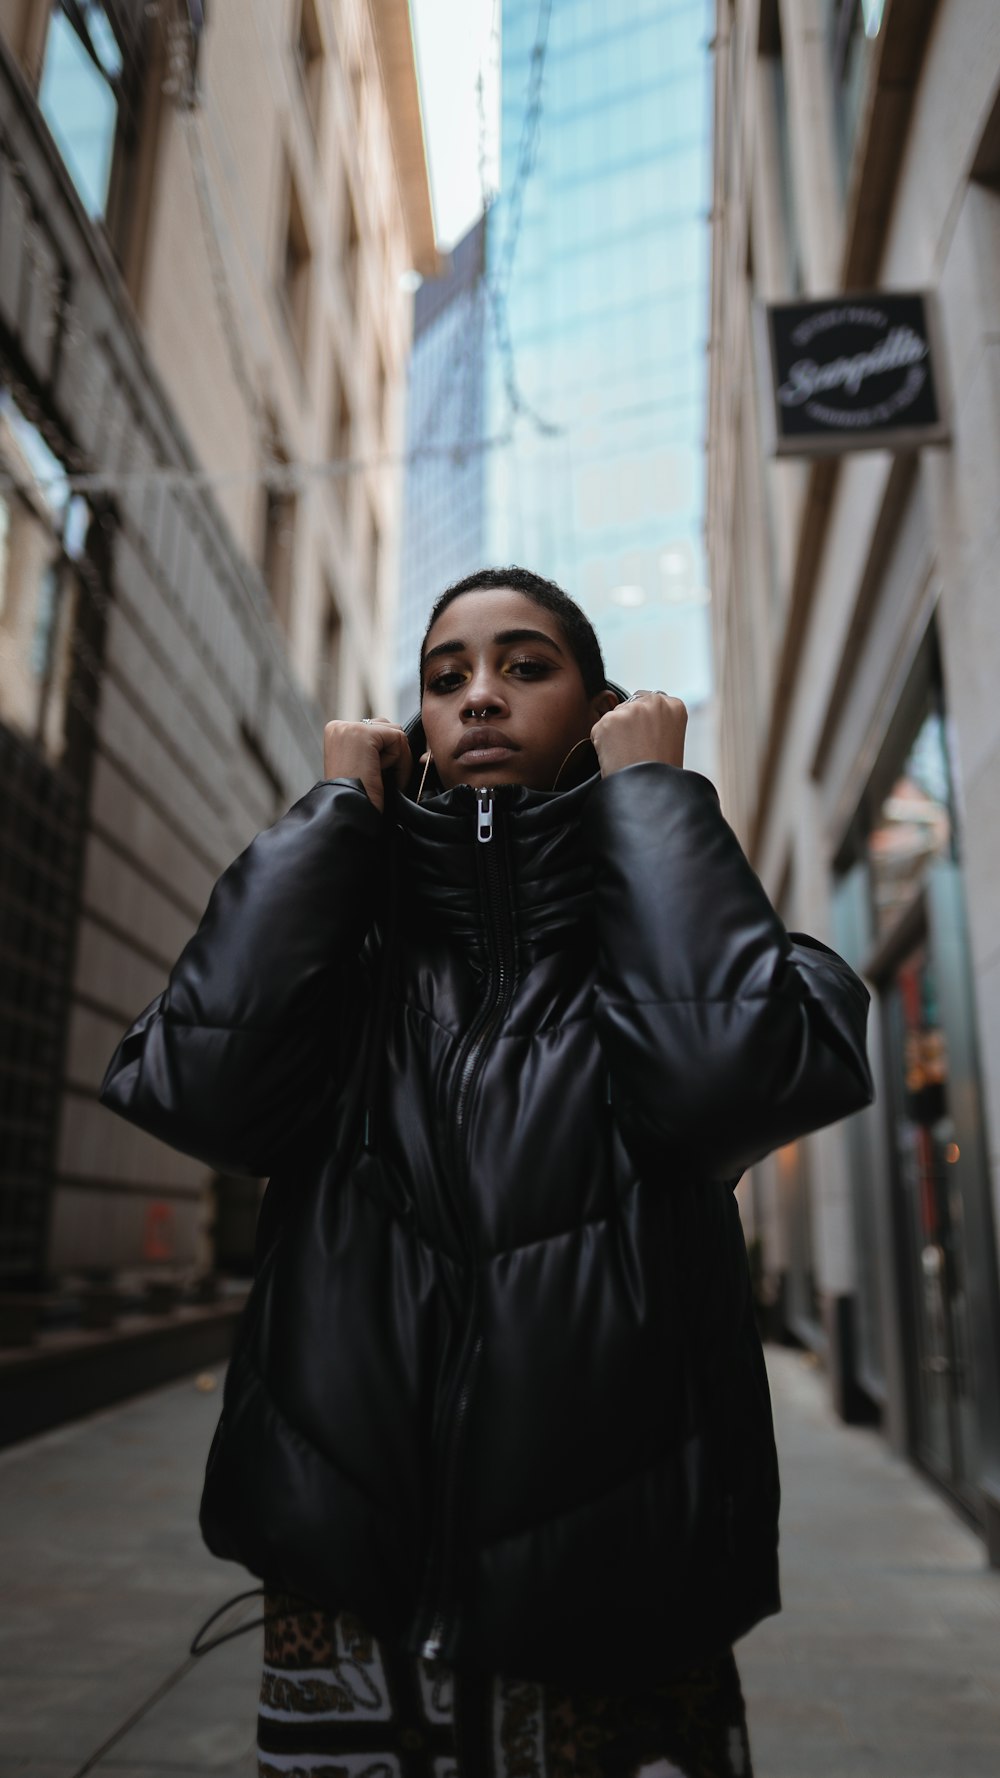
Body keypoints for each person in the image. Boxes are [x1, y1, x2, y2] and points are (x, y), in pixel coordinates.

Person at [101, 567, 874, 1777]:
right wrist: (331, 814)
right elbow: (191, 1087)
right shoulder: (349, 953)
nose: (479, 697)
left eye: (525, 666)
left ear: (600, 704)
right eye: (445, 675)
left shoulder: (683, 928)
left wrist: (656, 799)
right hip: (347, 1588)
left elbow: (726, 1077)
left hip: (619, 1589)